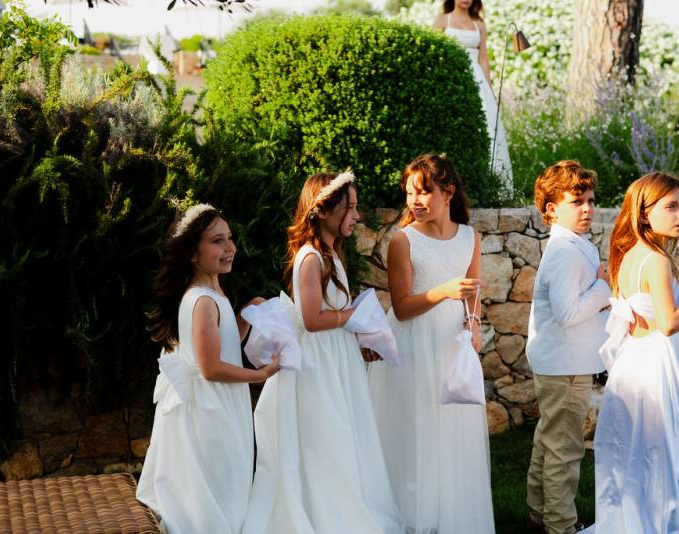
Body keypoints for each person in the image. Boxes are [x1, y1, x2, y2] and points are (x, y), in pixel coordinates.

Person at [245, 171, 403, 534]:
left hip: (335, 359)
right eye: (350, 208)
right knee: (326, 442)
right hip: (316, 366)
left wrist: (358, 342)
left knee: (345, 437)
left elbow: (330, 320)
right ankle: (327, 516)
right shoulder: (310, 258)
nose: (356, 216)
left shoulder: (330, 253)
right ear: (324, 210)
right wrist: (356, 316)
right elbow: (313, 320)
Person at [590, 172, 679, 533]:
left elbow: (637, 321)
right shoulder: (657, 260)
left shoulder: (627, 255)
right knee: (668, 448)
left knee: (637, 448)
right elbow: (667, 323)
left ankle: (640, 518)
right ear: (645, 213)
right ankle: (665, 522)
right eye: (671, 207)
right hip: (659, 364)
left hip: (633, 360)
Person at [369, 154, 495, 534]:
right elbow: (403, 308)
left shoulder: (470, 237)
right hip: (412, 346)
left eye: (423, 192)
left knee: (453, 433)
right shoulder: (403, 241)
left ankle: (450, 516)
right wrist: (442, 292)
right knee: (414, 432)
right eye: (409, 194)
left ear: (448, 193)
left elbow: (472, 293)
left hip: (451, 346)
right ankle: (410, 518)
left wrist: (473, 325)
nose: (414, 201)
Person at [137, 203, 280, 534]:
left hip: (222, 402)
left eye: (229, 238)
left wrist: (244, 316)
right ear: (191, 252)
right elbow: (212, 368)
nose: (229, 247)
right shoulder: (201, 300)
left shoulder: (214, 291)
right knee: (220, 486)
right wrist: (261, 374)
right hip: (211, 409)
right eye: (217, 241)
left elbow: (224, 343)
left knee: (231, 481)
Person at [525, 161, 611, 534]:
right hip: (565, 363)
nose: (588, 208)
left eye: (591, 200)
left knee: (549, 439)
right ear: (552, 208)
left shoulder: (573, 244)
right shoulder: (564, 250)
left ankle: (539, 511)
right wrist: (604, 288)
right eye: (577, 201)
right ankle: (561, 524)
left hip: (562, 359)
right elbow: (567, 312)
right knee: (566, 447)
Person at [433, 0, 513, 191]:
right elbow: (436, 54)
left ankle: (492, 183)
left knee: (486, 125)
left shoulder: (479, 25)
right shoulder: (442, 20)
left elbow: (483, 57)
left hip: (477, 80)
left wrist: (489, 88)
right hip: (452, 78)